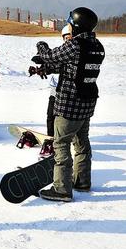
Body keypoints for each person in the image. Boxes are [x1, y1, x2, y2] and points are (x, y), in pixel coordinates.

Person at [32, 7, 105, 202]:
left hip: (69, 105)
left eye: (71, 22)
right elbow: (72, 66)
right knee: (82, 144)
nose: (69, 25)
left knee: (61, 144)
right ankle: (82, 181)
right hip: (87, 105)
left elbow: (51, 56)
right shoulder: (97, 45)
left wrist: (41, 47)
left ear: (77, 24)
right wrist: (46, 67)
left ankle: (62, 189)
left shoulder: (75, 45)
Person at [28, 24, 73, 158]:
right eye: (65, 38)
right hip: (55, 89)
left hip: (67, 93)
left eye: (70, 37)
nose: (67, 40)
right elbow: (52, 64)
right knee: (50, 115)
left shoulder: (73, 52)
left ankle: (62, 142)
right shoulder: (60, 52)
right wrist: (40, 68)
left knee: (63, 119)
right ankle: (50, 139)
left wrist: (43, 53)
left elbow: (58, 66)